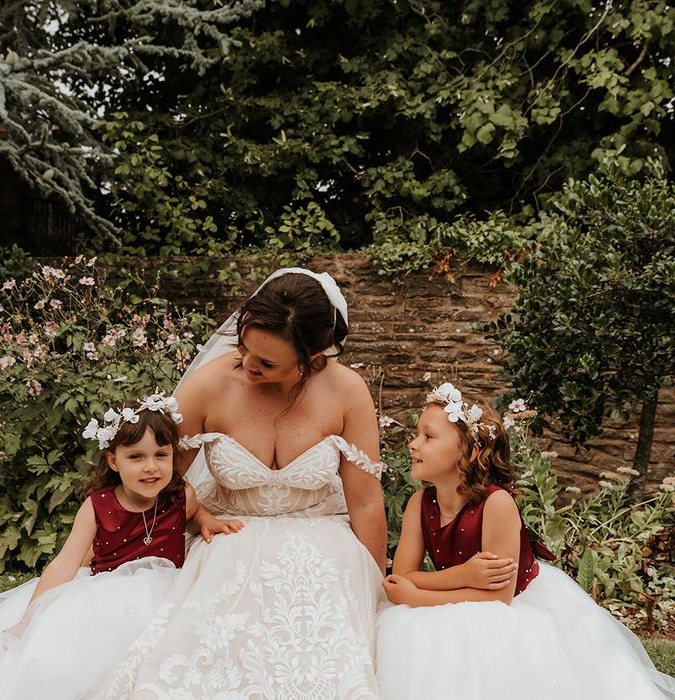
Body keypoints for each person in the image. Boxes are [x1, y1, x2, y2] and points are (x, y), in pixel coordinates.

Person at [91, 268, 390, 699]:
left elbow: (365, 504)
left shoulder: (347, 392)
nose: (248, 364)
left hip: (322, 538)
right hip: (228, 531)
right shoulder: (211, 384)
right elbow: (156, 478)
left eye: (267, 363)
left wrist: (375, 587)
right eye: (245, 347)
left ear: (311, 358)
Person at [0, 392, 242, 700]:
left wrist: (205, 521)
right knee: (64, 659)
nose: (151, 467)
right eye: (136, 456)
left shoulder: (181, 495)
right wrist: (31, 616)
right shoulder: (98, 505)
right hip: (106, 596)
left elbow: (195, 512)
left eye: (161, 455)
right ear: (114, 461)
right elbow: (65, 564)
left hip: (168, 593)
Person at [375, 382, 675, 700]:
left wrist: (417, 595)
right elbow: (401, 579)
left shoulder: (496, 504)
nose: (413, 444)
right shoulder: (419, 503)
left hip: (511, 605)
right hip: (466, 595)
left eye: (428, 436)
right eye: (416, 434)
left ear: (470, 451)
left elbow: (497, 599)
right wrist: (463, 575)